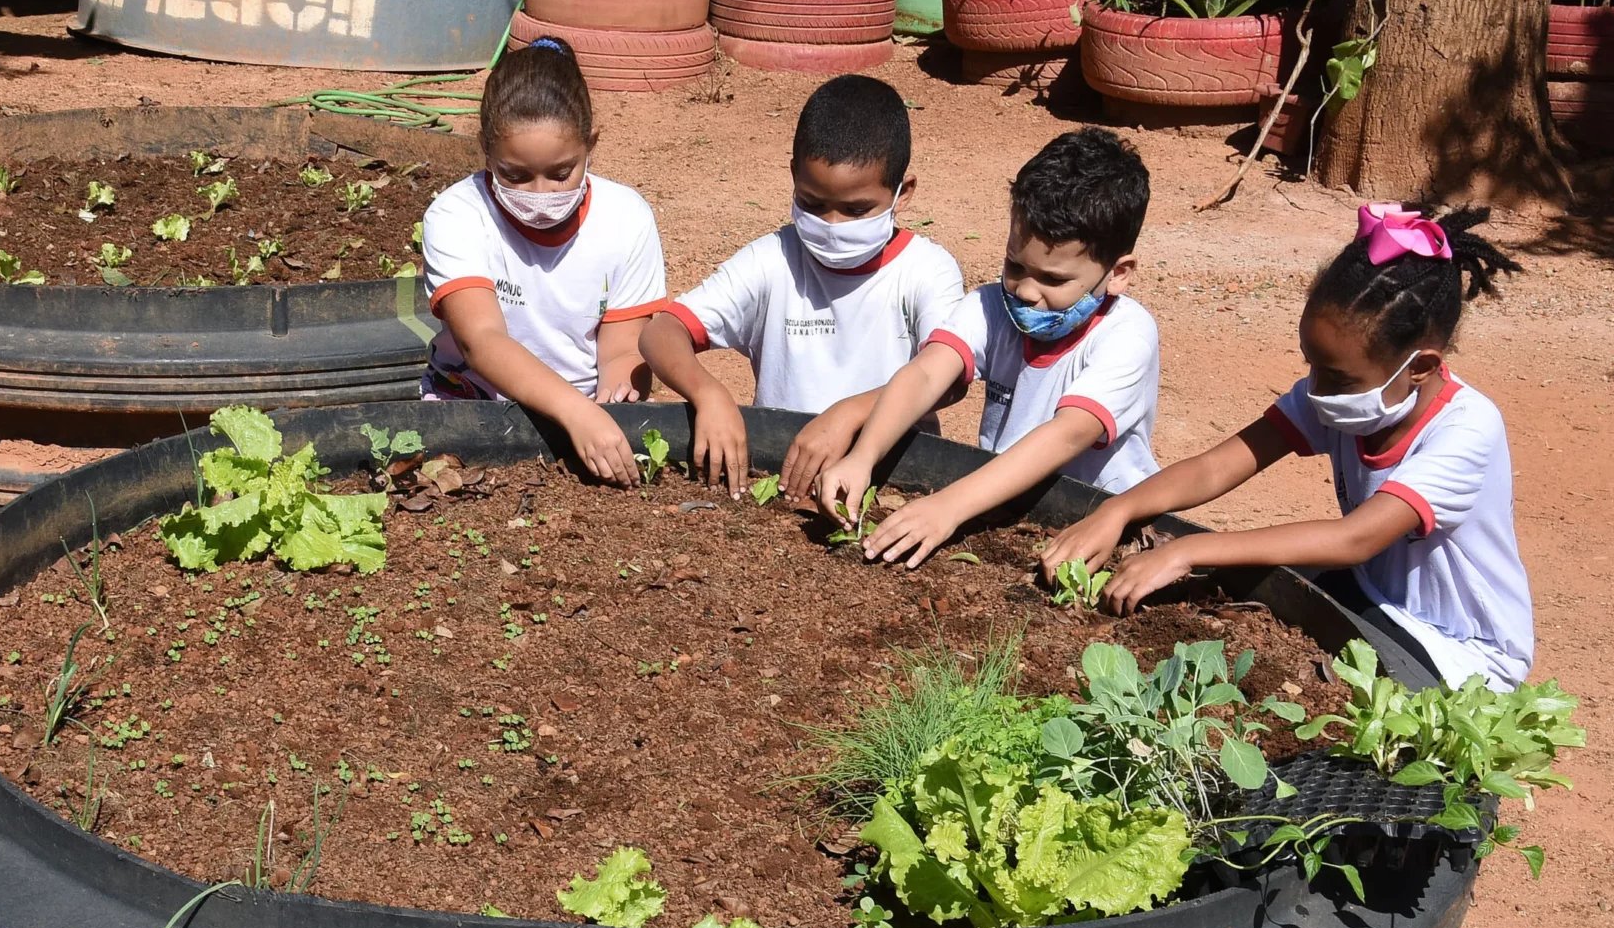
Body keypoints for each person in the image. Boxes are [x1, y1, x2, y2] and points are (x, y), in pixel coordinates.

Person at [1041, 205, 1531, 690]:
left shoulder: (1466, 430)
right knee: (1244, 601)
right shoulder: (1345, 394)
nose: (1316, 388)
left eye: (1335, 376)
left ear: (1420, 367)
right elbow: (1217, 467)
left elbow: (1352, 539)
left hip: (1462, 651)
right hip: (1373, 595)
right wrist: (1118, 510)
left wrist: (1186, 551)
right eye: (1311, 366)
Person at [818, 126, 1159, 567]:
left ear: (1118, 272)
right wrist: (864, 456)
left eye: (1053, 280)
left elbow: (1067, 433)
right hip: (1004, 501)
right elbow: (925, 373)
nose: (1027, 292)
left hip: (1102, 522)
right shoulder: (989, 306)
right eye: (1015, 265)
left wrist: (947, 507)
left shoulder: (1128, 335)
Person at [638, 74, 965, 495]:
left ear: (903, 193)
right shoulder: (772, 261)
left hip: (892, 477)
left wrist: (848, 415)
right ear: (793, 175)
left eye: (856, 209)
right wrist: (709, 394)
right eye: (812, 203)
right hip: (782, 474)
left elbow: (950, 379)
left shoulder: (927, 270)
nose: (832, 225)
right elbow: (661, 333)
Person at [418, 37, 668, 487]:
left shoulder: (626, 218)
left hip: (584, 417)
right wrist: (576, 411)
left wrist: (611, 404)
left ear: (591, 144)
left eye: (560, 173)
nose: (540, 196)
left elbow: (622, 348)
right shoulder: (456, 215)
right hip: (470, 407)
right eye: (514, 175)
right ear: (484, 149)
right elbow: (482, 340)